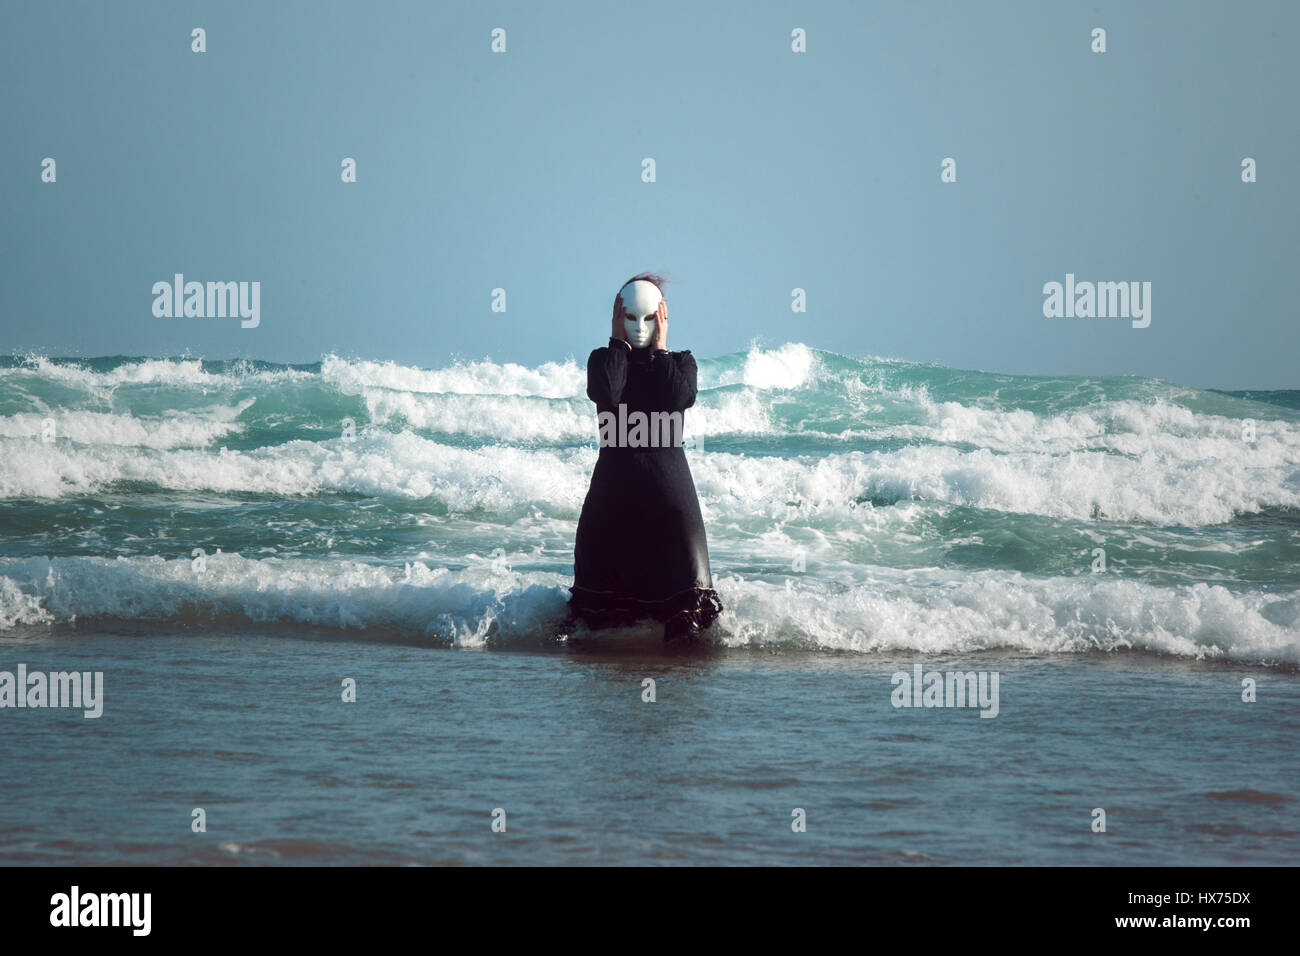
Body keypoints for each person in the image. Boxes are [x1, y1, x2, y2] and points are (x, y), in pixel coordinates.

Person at [569, 273, 723, 642]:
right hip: (613, 494)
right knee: (597, 622)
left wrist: (661, 348)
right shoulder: (603, 361)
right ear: (617, 317)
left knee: (688, 616)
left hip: (669, 494)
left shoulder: (681, 363)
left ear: (662, 318)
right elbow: (608, 390)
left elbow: (676, 399)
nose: (640, 327)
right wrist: (616, 343)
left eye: (649, 317)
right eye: (630, 316)